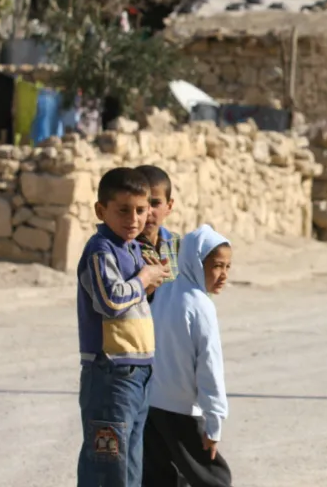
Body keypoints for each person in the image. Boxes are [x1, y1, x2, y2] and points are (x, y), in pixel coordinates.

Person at [76, 167, 172, 487]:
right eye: (123, 210)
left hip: (137, 372)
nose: (134, 219)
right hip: (110, 374)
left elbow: (130, 301)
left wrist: (151, 280)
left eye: (141, 210)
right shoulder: (100, 249)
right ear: (101, 211)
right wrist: (144, 278)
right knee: (108, 467)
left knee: (130, 465)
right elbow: (110, 301)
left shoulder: (131, 248)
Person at [144, 224, 233, 487]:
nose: (224, 274)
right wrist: (214, 420)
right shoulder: (200, 304)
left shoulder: (162, 292)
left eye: (227, 267)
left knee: (160, 478)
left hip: (152, 407)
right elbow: (209, 367)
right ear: (195, 261)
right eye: (217, 266)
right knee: (214, 478)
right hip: (183, 412)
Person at [135, 165, 181, 301]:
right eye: (142, 204)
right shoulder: (122, 247)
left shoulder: (177, 245)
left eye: (155, 203)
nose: (148, 212)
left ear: (169, 206)